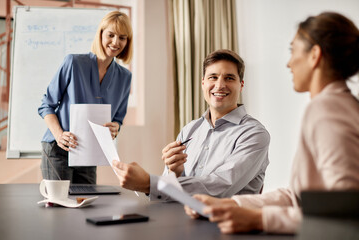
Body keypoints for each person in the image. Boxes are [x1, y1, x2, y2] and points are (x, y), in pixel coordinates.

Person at [184, 11, 359, 234]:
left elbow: (347, 211)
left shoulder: (329, 110)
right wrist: (231, 204)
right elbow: (296, 196)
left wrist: (261, 220)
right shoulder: (332, 106)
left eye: (292, 50)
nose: (289, 63)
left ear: (314, 55)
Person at [112, 49, 270, 200]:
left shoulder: (254, 134)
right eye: (213, 77)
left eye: (229, 78)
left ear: (241, 85)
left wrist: (149, 183)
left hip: (229, 225)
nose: (220, 85)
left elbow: (220, 186)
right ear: (203, 83)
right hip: (184, 219)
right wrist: (174, 172)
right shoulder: (189, 130)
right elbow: (169, 193)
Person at [38, 11, 133, 184]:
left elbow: (118, 120)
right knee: (60, 206)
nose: (115, 42)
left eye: (122, 37)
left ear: (127, 42)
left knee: (86, 207)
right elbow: (46, 105)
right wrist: (59, 135)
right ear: (101, 34)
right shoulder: (73, 63)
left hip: (89, 152)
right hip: (58, 148)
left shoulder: (125, 77)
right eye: (110, 35)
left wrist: (115, 128)